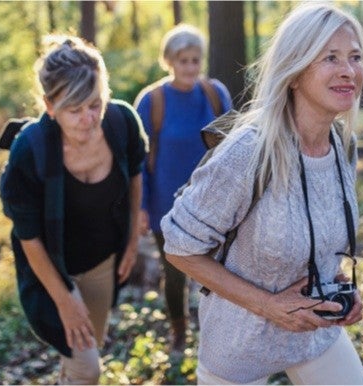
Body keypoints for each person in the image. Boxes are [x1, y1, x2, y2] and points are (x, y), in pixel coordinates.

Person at [160, 3, 363, 384]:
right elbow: (178, 245)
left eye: (355, 57)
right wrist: (270, 306)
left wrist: (338, 283)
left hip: (315, 333)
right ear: (294, 70)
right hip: (239, 347)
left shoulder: (343, 144)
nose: (348, 70)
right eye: (331, 58)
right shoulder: (249, 151)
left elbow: (315, 231)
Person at [0, 35, 147, 384]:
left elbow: (135, 178)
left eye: (96, 103)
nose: (89, 118)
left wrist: (130, 244)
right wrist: (65, 299)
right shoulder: (29, 150)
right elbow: (29, 237)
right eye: (75, 109)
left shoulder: (122, 122)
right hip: (50, 266)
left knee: (85, 351)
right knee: (87, 368)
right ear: (50, 107)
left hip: (102, 260)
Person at [133, 23, 232, 352]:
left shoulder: (215, 94)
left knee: (218, 274)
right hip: (167, 205)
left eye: (195, 60)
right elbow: (139, 160)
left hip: (213, 201)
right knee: (175, 273)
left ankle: (217, 335)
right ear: (170, 61)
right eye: (183, 60)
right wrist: (142, 207)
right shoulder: (152, 101)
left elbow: (234, 147)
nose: (190, 67)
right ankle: (178, 331)